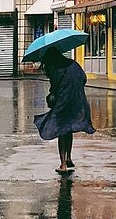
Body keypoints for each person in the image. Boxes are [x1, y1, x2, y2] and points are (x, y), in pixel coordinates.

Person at [34, 47, 95, 175]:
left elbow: (55, 87)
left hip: (63, 103)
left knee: (61, 130)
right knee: (69, 128)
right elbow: (83, 78)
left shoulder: (56, 69)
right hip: (77, 101)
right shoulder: (73, 64)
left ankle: (63, 164)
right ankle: (69, 158)